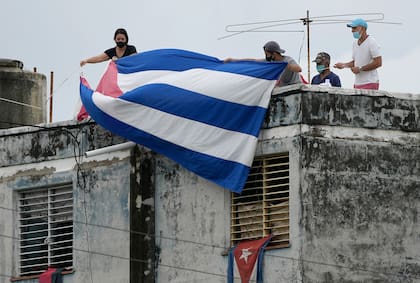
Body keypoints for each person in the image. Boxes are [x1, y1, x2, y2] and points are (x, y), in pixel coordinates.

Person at [224, 41, 303, 86]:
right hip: (283, 90)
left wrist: (285, 65)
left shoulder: (288, 60)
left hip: (295, 88)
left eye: (267, 54)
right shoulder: (270, 62)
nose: (266, 56)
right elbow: (254, 61)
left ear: (274, 54)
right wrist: (233, 60)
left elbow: (299, 69)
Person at [333, 18, 382, 90]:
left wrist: (360, 69)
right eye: (352, 28)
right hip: (357, 83)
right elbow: (355, 62)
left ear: (363, 28)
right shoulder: (355, 43)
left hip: (370, 82)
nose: (352, 30)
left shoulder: (371, 42)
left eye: (354, 28)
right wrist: (343, 65)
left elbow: (378, 62)